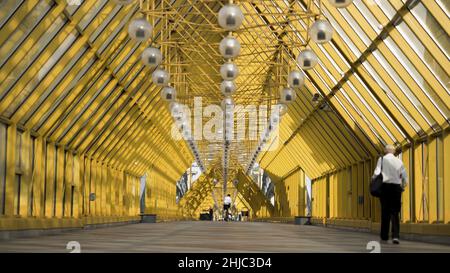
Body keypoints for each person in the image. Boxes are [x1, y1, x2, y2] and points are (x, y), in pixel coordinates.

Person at [372, 144, 408, 244]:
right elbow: (405, 176)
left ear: (385, 151)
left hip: (385, 187)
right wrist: (403, 186)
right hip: (396, 188)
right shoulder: (399, 161)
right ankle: (395, 236)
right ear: (394, 151)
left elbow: (377, 172)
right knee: (395, 212)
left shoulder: (382, 159)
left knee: (385, 211)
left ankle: (384, 236)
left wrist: (373, 180)